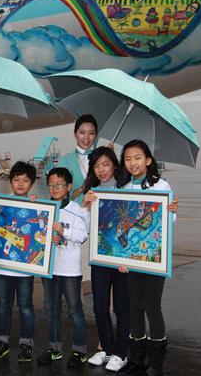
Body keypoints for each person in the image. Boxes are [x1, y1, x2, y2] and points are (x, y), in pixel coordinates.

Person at [117, 140, 178, 376]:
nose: (133, 163)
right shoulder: (122, 188)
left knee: (152, 306)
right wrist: (119, 258)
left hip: (154, 258)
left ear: (149, 160)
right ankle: (137, 359)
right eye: (128, 158)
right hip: (131, 259)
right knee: (135, 307)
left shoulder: (161, 185)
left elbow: (169, 223)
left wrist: (172, 211)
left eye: (138, 158)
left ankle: (156, 362)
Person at [81, 147, 130, 372]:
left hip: (121, 260)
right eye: (96, 165)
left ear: (114, 166)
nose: (101, 170)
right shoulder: (91, 193)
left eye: (105, 164)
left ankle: (121, 353)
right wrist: (85, 206)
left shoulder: (127, 189)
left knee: (121, 307)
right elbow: (85, 227)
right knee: (99, 306)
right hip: (99, 257)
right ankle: (107, 350)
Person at [0, 161, 37, 364]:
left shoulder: (36, 204)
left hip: (26, 269)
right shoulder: (0, 205)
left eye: (25, 181)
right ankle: (2, 342)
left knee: (26, 306)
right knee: (3, 305)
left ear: (32, 183)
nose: (21, 184)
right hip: (4, 268)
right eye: (17, 180)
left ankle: (27, 343)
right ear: (11, 181)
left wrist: (37, 206)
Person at [38, 167, 89, 368]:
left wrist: (64, 230)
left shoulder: (77, 210)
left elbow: (82, 236)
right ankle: (54, 349)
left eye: (58, 185)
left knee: (75, 311)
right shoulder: (45, 207)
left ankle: (80, 350)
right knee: (51, 310)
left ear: (68, 187)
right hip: (49, 268)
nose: (54, 188)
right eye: (51, 185)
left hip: (69, 270)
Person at [57, 114, 98, 204]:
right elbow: (59, 196)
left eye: (91, 133)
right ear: (75, 134)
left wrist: (109, 159)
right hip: (74, 215)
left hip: (100, 213)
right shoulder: (65, 161)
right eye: (82, 132)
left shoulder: (102, 159)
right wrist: (82, 188)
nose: (86, 137)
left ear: (96, 136)